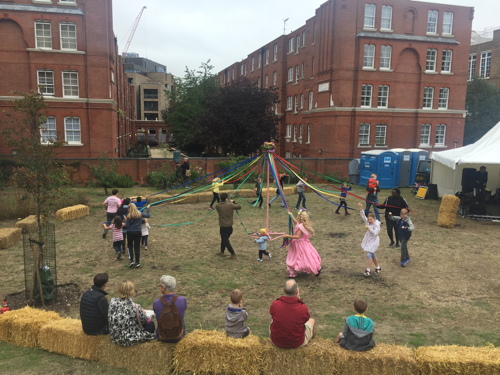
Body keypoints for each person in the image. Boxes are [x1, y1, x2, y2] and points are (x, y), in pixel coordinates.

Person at [269, 279, 316, 348]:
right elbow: (305, 320)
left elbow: (273, 314)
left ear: (284, 290)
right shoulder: (302, 308)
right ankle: (312, 341)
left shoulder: (275, 304)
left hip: (276, 341)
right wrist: (299, 299)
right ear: (297, 292)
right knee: (312, 321)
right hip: (297, 343)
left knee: (273, 321)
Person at [108, 280, 155, 346]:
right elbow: (145, 320)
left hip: (114, 337)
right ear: (131, 291)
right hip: (128, 339)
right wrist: (143, 312)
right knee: (150, 324)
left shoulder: (112, 302)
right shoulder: (134, 307)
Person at [285, 210, 322, 277]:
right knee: (307, 256)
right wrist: (291, 215)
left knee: (295, 257)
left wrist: (287, 236)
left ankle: (295, 272)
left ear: (299, 217)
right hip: (303, 243)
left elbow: (297, 236)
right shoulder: (301, 224)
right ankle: (316, 268)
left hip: (298, 244)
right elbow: (296, 222)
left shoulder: (300, 227)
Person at [153, 275, 188, 342]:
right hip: (179, 336)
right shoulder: (183, 300)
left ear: (163, 288)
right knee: (181, 319)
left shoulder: (156, 303)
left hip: (162, 337)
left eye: (160, 286)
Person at [123, 203, 151, 268]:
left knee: (130, 246)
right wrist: (148, 209)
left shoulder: (129, 216)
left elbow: (127, 226)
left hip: (130, 232)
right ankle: (137, 262)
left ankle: (131, 260)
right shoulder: (140, 214)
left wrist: (125, 221)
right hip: (138, 232)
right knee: (137, 247)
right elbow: (148, 215)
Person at [358, 202, 381, 277]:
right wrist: (361, 208)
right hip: (368, 240)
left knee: (369, 255)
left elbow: (375, 233)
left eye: (371, 219)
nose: (369, 221)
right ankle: (378, 267)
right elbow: (363, 216)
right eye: (369, 219)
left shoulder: (377, 225)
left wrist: (369, 228)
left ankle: (368, 270)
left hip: (374, 241)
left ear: (374, 219)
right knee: (372, 254)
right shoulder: (368, 222)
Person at [215, 193, 241, 259]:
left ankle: (233, 254)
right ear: (226, 198)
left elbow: (221, 204)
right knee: (224, 239)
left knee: (225, 240)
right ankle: (222, 252)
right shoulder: (230, 205)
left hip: (223, 226)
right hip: (229, 226)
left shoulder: (217, 205)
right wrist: (234, 202)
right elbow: (239, 207)